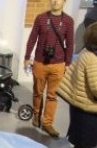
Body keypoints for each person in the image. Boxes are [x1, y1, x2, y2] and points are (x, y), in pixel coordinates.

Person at [24, 0, 74, 138]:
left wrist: (68, 63)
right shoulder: (41, 18)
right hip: (40, 62)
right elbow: (32, 39)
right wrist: (27, 57)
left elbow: (70, 44)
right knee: (37, 92)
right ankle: (36, 115)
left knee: (53, 96)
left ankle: (48, 123)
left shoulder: (68, 21)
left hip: (58, 64)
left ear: (64, 2)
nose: (55, 1)